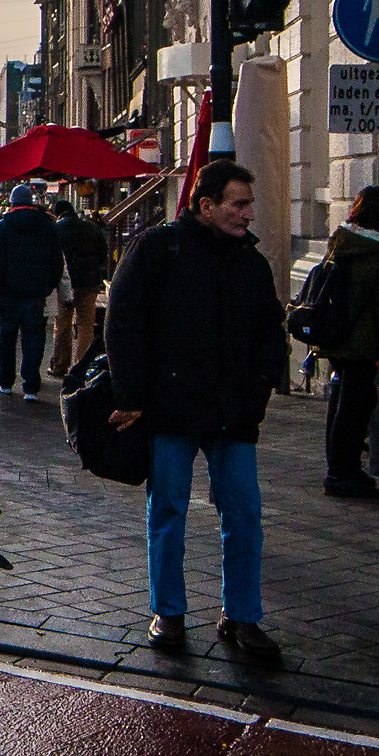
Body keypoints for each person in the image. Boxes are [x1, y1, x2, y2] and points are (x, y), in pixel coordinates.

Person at [106, 160, 286, 664]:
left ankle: (243, 615)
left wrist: (259, 389)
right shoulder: (158, 250)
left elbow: (271, 332)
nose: (248, 215)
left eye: (249, 204)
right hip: (172, 407)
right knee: (168, 510)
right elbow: (123, 323)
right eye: (239, 204)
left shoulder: (251, 264)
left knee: (244, 513)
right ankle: (169, 611)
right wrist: (132, 396)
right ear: (205, 206)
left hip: (234, 411)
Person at [321, 185, 379, 500]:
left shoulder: (341, 242)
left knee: (340, 402)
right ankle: (342, 473)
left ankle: (341, 468)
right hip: (362, 344)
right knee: (356, 407)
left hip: (337, 337)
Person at [0, 183, 62, 402]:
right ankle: (31, 386)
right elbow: (56, 260)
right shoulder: (47, 225)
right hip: (37, 291)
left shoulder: (3, 226)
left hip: (10, 291)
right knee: (34, 338)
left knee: (7, 337)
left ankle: (6, 381)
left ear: (12, 203)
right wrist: (49, 285)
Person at [48, 195, 112, 378]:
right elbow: (102, 253)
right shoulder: (90, 227)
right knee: (86, 325)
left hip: (66, 284)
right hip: (89, 282)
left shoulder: (56, 229)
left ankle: (60, 365)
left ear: (58, 213)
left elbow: (54, 257)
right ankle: (81, 366)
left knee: (62, 324)